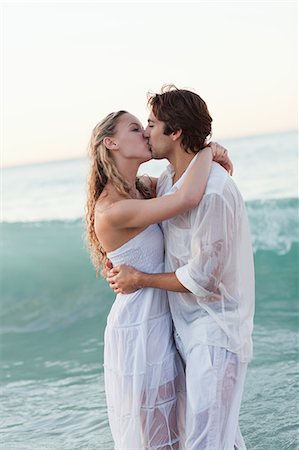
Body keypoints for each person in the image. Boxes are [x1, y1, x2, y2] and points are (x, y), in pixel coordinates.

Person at [107, 86, 255, 450]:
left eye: (153, 125)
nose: (147, 132)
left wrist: (139, 278)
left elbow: (203, 278)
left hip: (215, 332)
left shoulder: (215, 191)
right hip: (183, 329)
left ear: (174, 133)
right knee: (216, 437)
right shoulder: (171, 182)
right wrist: (209, 150)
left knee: (206, 441)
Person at [85, 109, 232, 450]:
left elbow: (182, 183)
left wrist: (207, 159)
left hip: (165, 322)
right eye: (135, 129)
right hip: (139, 330)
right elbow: (186, 198)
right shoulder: (112, 209)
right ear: (112, 143)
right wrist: (208, 150)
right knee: (157, 439)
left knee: (180, 430)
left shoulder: (143, 189)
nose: (146, 134)